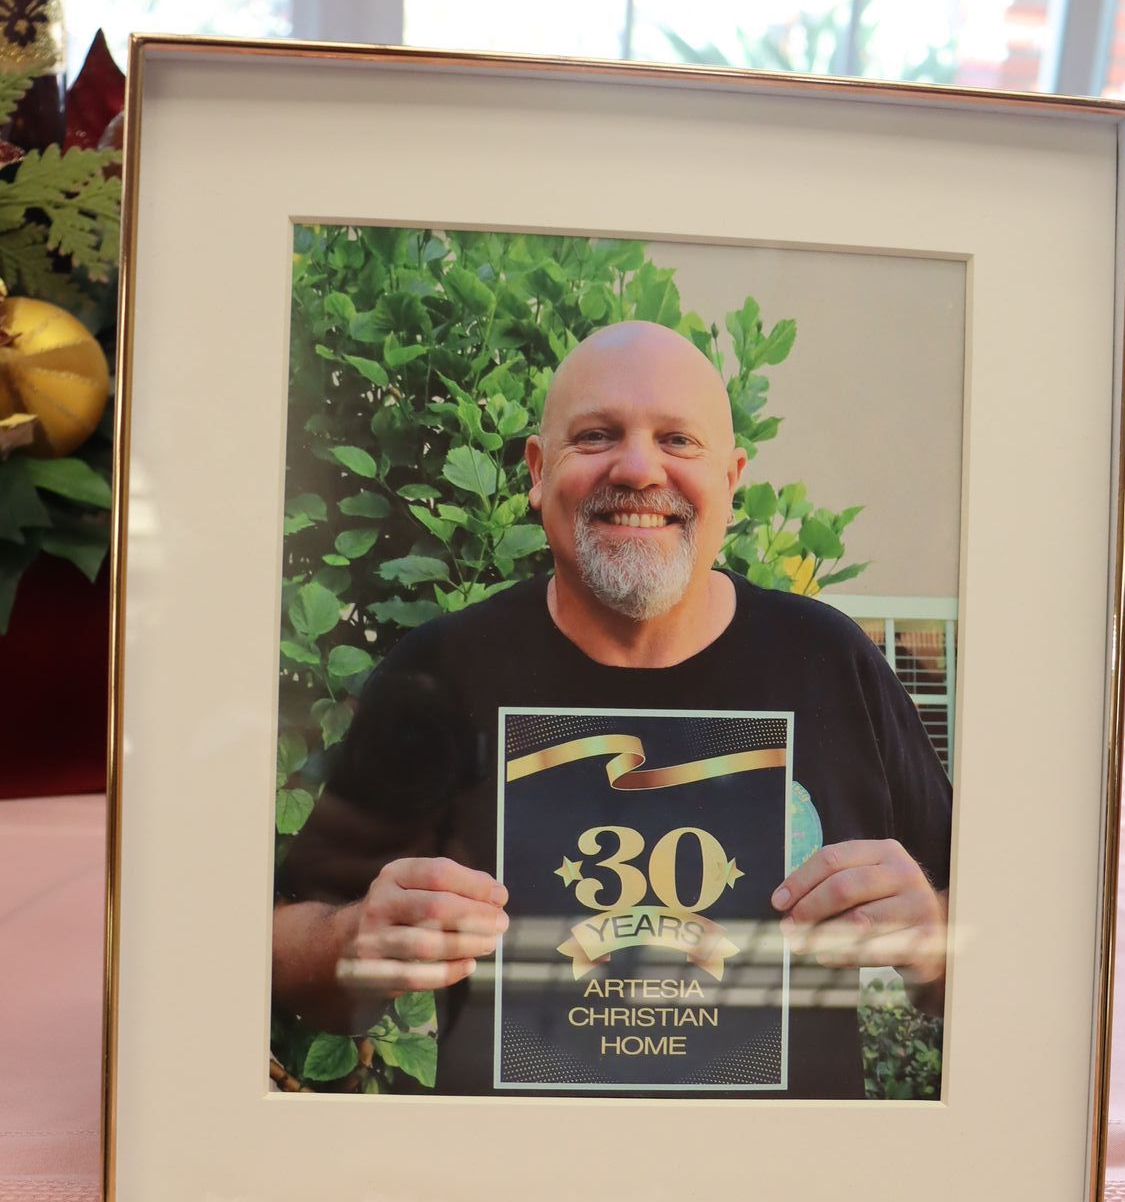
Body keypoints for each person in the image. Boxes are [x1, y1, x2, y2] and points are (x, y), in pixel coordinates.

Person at [273, 320, 951, 1097]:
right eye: (596, 436)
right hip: (514, 1197)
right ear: (537, 471)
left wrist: (932, 936)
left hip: (779, 1197)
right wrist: (353, 942)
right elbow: (287, 953)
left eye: (678, 440)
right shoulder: (441, 673)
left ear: (732, 479)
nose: (636, 468)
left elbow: (1004, 979)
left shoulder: (833, 663)